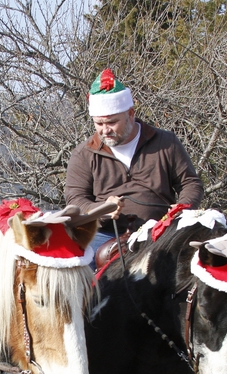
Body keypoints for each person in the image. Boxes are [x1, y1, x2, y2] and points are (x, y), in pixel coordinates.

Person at [64, 68, 204, 258]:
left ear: (130, 113)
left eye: (112, 122)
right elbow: (75, 198)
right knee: (77, 264)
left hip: (160, 231)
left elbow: (190, 183)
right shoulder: (84, 153)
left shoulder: (166, 142)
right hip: (104, 234)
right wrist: (101, 210)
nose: (105, 130)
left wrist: (182, 209)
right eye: (99, 124)